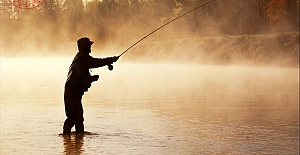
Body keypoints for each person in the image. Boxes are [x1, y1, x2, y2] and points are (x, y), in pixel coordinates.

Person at [63, 37, 119, 135]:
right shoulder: (83, 58)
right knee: (74, 116)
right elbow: (95, 62)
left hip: (72, 91)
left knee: (78, 117)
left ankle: (76, 142)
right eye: (89, 45)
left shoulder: (80, 57)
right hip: (72, 92)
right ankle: (67, 138)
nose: (90, 47)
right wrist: (111, 59)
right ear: (83, 47)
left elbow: (81, 74)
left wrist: (91, 78)